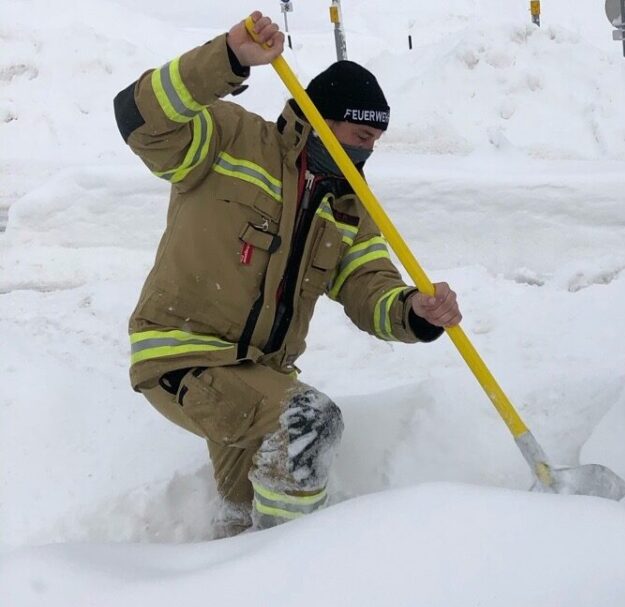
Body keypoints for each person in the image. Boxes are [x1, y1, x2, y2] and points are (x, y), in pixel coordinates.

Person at [113, 12, 461, 537]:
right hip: (182, 355)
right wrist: (227, 57)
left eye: (376, 140)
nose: (367, 150)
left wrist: (414, 311)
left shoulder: (350, 207)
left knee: (251, 521)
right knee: (308, 424)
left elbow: (371, 287)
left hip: (258, 377)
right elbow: (139, 117)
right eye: (360, 133)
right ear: (322, 117)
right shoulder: (230, 139)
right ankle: (294, 584)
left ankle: (236, 587)